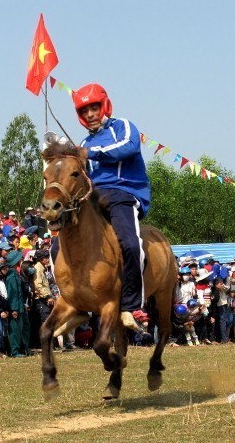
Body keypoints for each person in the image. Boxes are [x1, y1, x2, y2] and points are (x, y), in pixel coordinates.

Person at [70, 83, 150, 330]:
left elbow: (129, 147)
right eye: (85, 111)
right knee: (62, 243)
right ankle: (77, 305)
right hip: (93, 198)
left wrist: (89, 152)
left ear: (104, 105)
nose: (90, 114)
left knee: (130, 243)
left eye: (94, 108)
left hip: (122, 193)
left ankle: (131, 306)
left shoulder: (123, 126)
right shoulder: (83, 141)